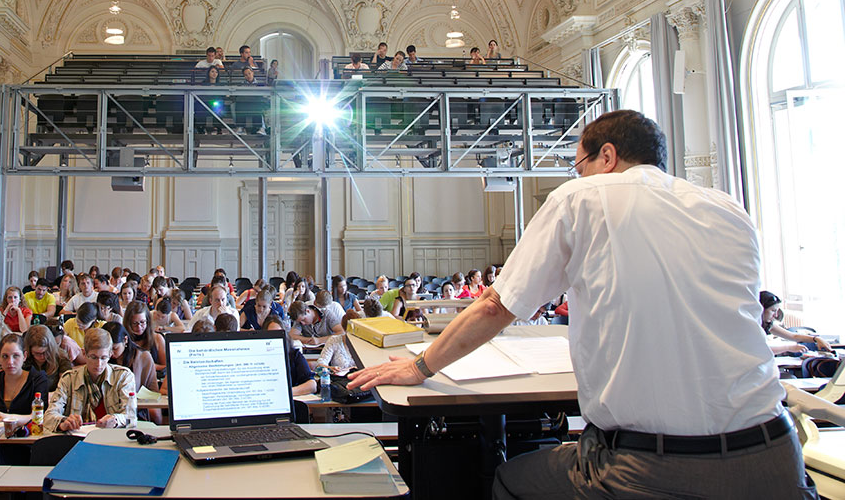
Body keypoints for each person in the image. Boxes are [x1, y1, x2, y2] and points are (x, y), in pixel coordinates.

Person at [348, 109, 816, 499]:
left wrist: (420, 368)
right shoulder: (726, 207)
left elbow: (496, 308)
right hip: (776, 456)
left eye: (580, 164)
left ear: (606, 156)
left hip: (652, 467)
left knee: (508, 480)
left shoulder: (581, 196)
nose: (580, 174)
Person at [43, 328, 137, 432]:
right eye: (93, 357)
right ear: (84, 353)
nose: (99, 364)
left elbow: (131, 416)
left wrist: (116, 419)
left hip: (112, 438)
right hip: (77, 441)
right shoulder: (69, 379)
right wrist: (63, 423)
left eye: (103, 358)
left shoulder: (123, 377)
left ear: (111, 354)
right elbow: (49, 416)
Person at [104, 321, 163, 424]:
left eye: (114, 348)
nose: (111, 354)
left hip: (137, 404)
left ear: (125, 340)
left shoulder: (143, 357)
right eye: (108, 349)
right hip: (109, 405)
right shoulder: (103, 357)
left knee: (155, 413)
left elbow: (153, 390)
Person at [760, 291, 832, 354]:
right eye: (773, 311)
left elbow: (793, 336)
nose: (776, 315)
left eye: (776, 311)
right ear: (761, 309)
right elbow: (759, 350)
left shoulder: (768, 324)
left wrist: (816, 339)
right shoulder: (751, 326)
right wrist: (789, 347)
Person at [261, 316, 316, 395]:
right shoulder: (257, 357)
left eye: (278, 333)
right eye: (271, 334)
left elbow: (312, 385)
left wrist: (287, 392)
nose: (275, 337)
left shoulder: (294, 354)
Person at [22, 324, 73, 393]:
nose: (42, 356)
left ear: (51, 348)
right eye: (37, 353)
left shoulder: (61, 357)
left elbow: (65, 388)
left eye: (46, 352)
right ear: (29, 351)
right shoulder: (23, 359)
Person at [124, 300, 167, 369]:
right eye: (135, 323)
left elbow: (166, 367)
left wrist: (148, 365)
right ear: (128, 323)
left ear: (148, 321)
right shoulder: (123, 340)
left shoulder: (157, 338)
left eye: (142, 322)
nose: (139, 327)